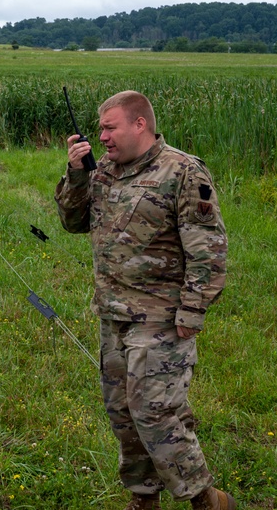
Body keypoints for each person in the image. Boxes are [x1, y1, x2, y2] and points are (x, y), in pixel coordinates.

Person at [55, 91, 235, 510]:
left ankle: (206, 499)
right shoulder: (101, 171)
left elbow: (209, 248)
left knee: (154, 411)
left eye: (110, 127)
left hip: (162, 316)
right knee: (122, 412)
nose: (102, 137)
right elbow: (72, 222)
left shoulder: (182, 171)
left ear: (140, 124)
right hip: (113, 314)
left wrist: (193, 309)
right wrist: (76, 175)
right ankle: (143, 498)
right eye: (99, 128)